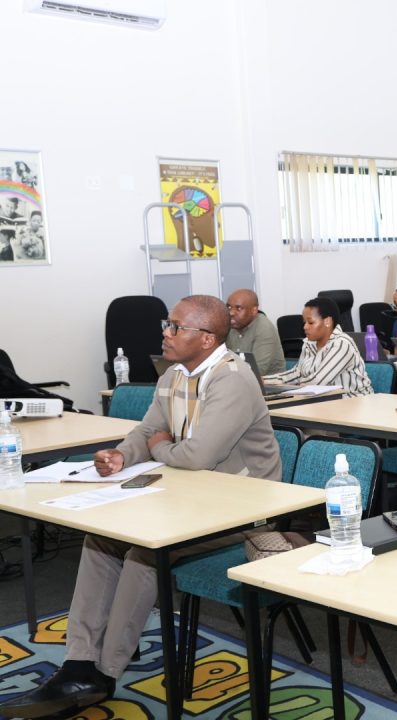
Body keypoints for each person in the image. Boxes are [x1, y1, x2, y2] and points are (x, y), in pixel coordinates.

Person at [0, 295, 282, 719]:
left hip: (243, 510)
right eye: (167, 324)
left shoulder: (233, 379)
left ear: (207, 339)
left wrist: (159, 446)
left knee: (145, 552)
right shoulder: (174, 374)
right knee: (101, 540)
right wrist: (122, 455)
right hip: (192, 498)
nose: (165, 333)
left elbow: (197, 456)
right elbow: (147, 430)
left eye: (176, 327)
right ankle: (79, 663)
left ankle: (104, 672)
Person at [264, 296, 373, 397]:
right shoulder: (309, 344)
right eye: (304, 322)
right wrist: (263, 380)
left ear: (327, 321)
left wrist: (290, 389)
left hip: (354, 402)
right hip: (325, 402)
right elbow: (297, 374)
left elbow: (318, 382)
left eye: (311, 322)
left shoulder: (342, 344)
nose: (305, 327)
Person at [225, 288, 286, 375]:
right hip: (238, 377)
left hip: (269, 381)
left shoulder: (264, 328)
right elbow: (224, 358)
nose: (231, 313)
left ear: (254, 310)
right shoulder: (230, 326)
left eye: (238, 308)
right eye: (229, 307)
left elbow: (258, 370)